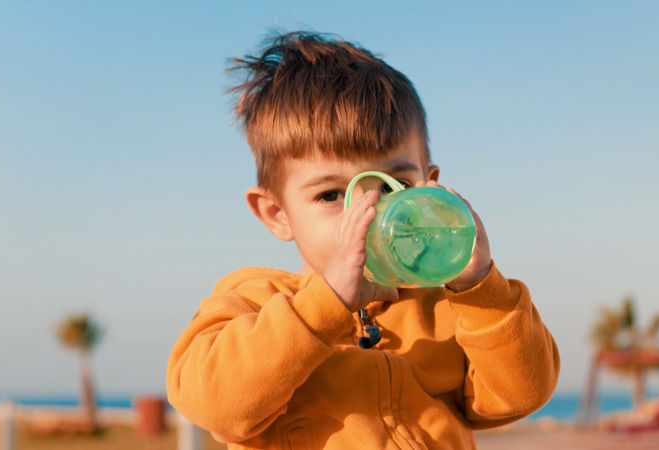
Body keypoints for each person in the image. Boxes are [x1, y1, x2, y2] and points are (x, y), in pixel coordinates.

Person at [166, 31, 560, 449]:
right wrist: (321, 308)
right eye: (332, 195)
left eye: (395, 187)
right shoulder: (253, 303)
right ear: (277, 214)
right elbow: (213, 405)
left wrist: (482, 291)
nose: (370, 214)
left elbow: (522, 394)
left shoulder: (445, 307)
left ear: (430, 190)